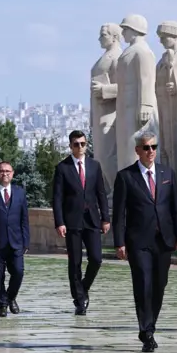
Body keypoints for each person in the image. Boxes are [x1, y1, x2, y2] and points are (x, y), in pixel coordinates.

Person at [113, 131, 177, 352]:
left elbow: (176, 209)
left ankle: (150, 325)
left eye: (153, 147)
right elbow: (119, 214)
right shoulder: (126, 177)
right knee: (143, 284)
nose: (150, 151)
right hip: (138, 241)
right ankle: (146, 331)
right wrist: (119, 242)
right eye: (146, 147)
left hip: (164, 240)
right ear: (137, 150)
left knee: (159, 285)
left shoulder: (167, 173)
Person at [52, 130, 111, 315]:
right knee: (75, 262)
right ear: (70, 146)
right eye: (76, 144)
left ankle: (83, 287)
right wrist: (59, 222)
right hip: (72, 221)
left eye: (83, 144)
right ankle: (79, 300)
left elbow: (101, 193)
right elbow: (57, 198)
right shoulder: (63, 168)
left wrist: (105, 218)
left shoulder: (95, 166)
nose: (80, 147)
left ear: (86, 145)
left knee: (96, 259)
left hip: (92, 219)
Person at [0, 161, 30, 317]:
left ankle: (10, 297)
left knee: (18, 272)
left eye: (8, 171)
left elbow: (24, 219)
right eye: (2, 171)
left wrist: (26, 241)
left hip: (16, 241)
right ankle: (1, 305)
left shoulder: (20, 192)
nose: (5, 174)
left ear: (13, 173)